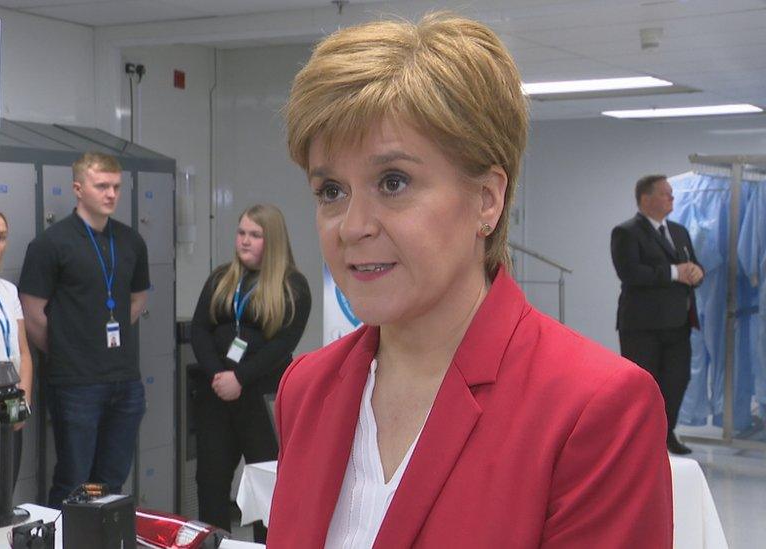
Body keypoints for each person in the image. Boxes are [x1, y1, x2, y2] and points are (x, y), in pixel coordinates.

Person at [268, 12, 673, 548]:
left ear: (487, 198)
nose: (354, 227)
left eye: (393, 182)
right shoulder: (308, 388)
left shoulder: (593, 410)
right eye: (331, 191)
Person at [18, 152, 150, 508]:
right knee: (73, 481)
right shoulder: (51, 244)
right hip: (75, 382)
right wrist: (69, 346)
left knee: (112, 482)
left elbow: (136, 302)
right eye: (102, 186)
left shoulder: (131, 242)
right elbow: (32, 313)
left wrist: (102, 337)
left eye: (116, 187)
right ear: (78, 188)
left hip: (124, 381)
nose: (111, 194)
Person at [190, 204, 311, 542]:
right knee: (211, 481)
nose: (244, 241)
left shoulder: (293, 286)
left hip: (262, 396)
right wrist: (218, 375)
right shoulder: (221, 278)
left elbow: (283, 343)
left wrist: (240, 379)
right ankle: (213, 543)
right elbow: (200, 329)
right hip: (217, 395)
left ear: (272, 240)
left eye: (254, 235)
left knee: (265, 484)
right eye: (241, 233)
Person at [611, 175, 704, 455]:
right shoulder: (626, 232)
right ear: (645, 199)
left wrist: (698, 274)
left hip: (678, 323)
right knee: (643, 386)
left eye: (671, 194)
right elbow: (630, 273)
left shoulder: (678, 231)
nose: (672, 199)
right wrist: (676, 272)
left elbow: (693, 266)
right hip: (642, 326)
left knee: (677, 380)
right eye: (666, 194)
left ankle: (666, 432)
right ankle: (639, 440)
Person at [0, 209, 34, 485]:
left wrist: (23, 403)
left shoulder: (8, 290)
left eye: (2, 237)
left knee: (5, 494)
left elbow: (24, 354)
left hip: (11, 407)